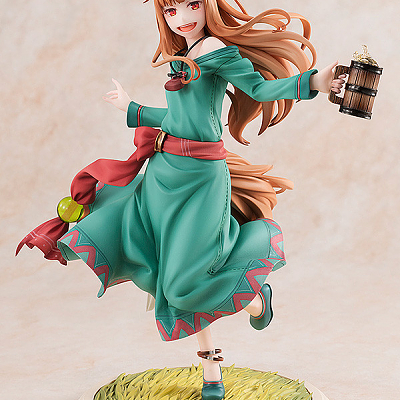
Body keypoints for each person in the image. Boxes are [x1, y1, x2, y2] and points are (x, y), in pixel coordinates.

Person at [17, 1, 345, 399]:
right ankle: (212, 374)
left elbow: (259, 90)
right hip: (164, 172)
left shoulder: (217, 50)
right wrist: (131, 107)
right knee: (157, 264)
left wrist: (313, 82)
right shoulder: (184, 55)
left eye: (192, 5)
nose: (183, 17)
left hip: (200, 181)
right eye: (172, 10)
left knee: (186, 282)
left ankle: (255, 298)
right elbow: (178, 116)